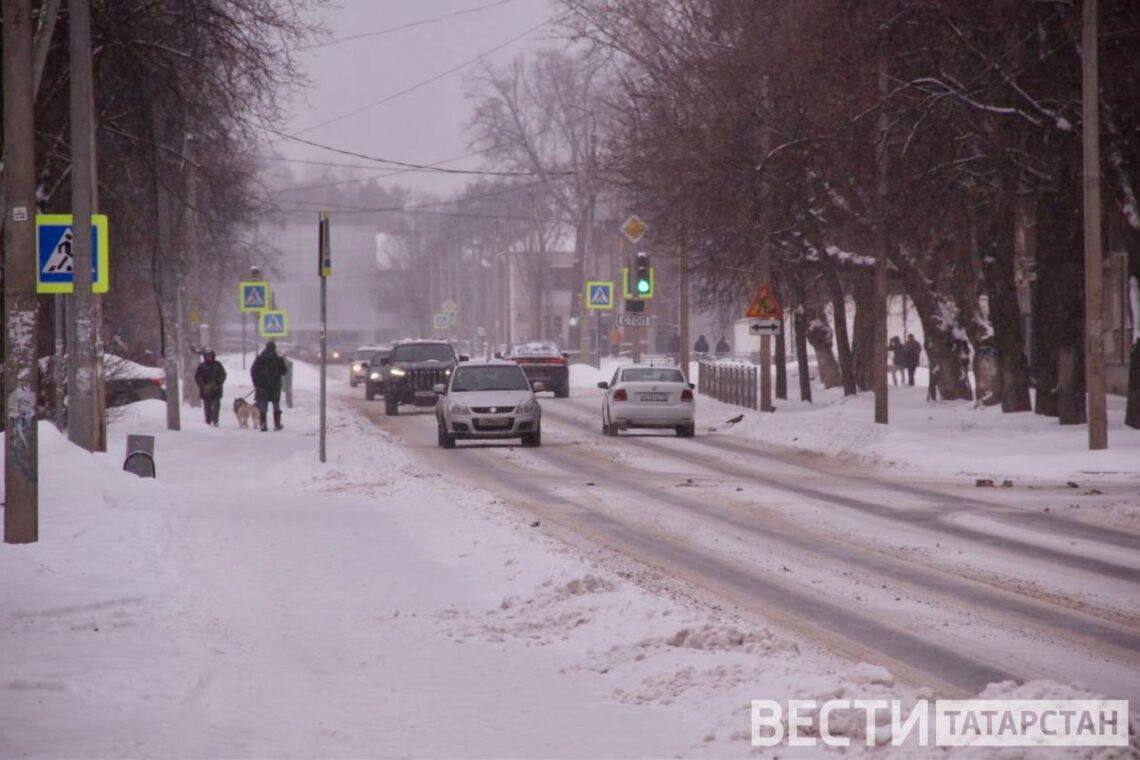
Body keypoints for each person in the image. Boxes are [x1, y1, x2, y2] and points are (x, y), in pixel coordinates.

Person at [251, 341, 289, 432]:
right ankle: (277, 424)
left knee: (263, 406)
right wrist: (276, 373)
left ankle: (263, 424)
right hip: (274, 386)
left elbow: (253, 371)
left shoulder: (259, 359)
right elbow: (284, 371)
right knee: (276, 405)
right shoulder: (278, 359)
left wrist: (257, 383)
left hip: (262, 386)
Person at [194, 349, 226, 427]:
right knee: (207, 406)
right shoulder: (202, 366)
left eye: (210, 356)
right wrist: (203, 386)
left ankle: (215, 420)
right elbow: (197, 376)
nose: (209, 358)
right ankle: (207, 421)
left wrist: (218, 383)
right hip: (205, 390)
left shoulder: (218, 364)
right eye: (207, 356)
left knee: (216, 406)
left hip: (216, 389)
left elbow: (223, 374)